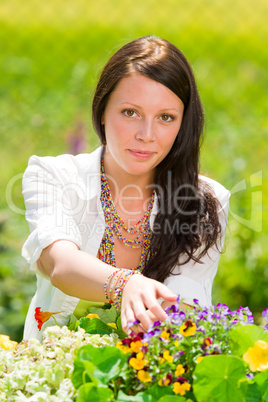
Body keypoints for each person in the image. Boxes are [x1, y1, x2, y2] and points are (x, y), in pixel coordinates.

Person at [22, 35, 230, 341]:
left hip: (155, 375)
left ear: (182, 124)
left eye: (165, 118)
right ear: (103, 111)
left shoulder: (207, 202)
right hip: (51, 375)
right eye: (130, 112)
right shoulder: (53, 175)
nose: (147, 134)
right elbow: (61, 266)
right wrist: (126, 283)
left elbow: (184, 311)